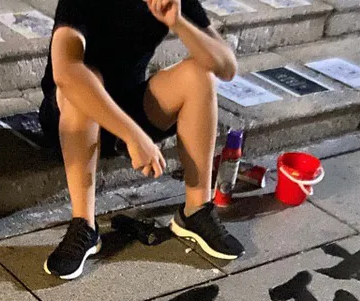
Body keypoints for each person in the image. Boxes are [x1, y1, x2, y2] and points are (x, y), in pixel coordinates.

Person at [40, 0, 245, 280]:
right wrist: (133, 136)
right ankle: (83, 225)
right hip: (70, 113)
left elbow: (226, 66)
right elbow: (65, 71)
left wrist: (177, 22)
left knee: (200, 75)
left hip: (129, 102)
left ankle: (196, 211)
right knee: (87, 77)